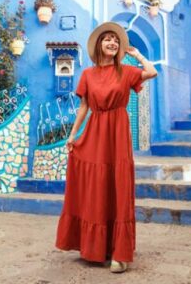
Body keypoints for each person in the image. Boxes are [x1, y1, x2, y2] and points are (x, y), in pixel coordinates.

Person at [55, 22, 158, 273]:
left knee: (118, 184)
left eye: (115, 40)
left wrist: (137, 55)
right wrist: (72, 135)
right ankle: (94, 247)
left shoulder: (126, 71)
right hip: (94, 131)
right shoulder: (88, 74)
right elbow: (84, 108)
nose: (112, 42)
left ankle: (119, 254)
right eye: (107, 39)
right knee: (95, 185)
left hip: (118, 131)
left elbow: (152, 72)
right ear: (99, 45)